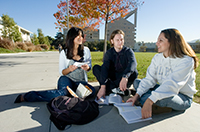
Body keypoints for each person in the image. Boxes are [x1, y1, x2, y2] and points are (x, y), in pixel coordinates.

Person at [127, 28, 199, 119]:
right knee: (137, 82)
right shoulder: (157, 58)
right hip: (163, 88)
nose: (157, 43)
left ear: (172, 42)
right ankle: (150, 101)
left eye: (161, 40)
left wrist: (149, 101)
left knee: (163, 98)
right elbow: (150, 79)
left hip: (182, 97)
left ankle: (150, 102)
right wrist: (136, 96)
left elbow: (172, 84)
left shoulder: (186, 60)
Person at [14, 27, 95, 103]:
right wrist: (69, 69)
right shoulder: (64, 52)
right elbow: (61, 72)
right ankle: (28, 96)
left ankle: (71, 94)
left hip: (80, 81)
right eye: (78, 36)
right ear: (71, 37)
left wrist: (87, 67)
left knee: (92, 92)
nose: (80, 38)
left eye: (81, 36)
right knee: (62, 93)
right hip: (66, 79)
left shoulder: (86, 50)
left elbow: (89, 66)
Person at [93, 29, 138, 100]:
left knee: (134, 72)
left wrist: (125, 76)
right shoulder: (109, 53)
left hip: (123, 77)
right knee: (96, 68)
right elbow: (105, 68)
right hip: (112, 77)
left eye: (122, 39)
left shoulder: (128, 51)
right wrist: (103, 86)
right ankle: (115, 89)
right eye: (117, 40)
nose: (120, 42)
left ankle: (111, 89)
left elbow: (133, 63)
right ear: (112, 41)